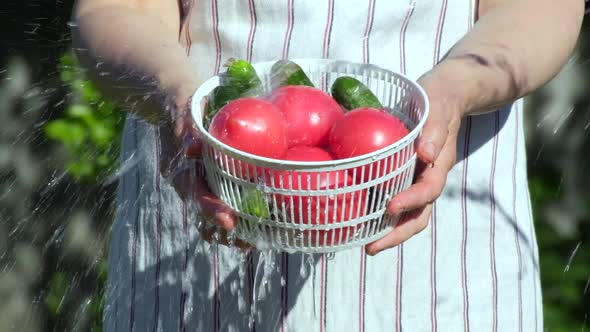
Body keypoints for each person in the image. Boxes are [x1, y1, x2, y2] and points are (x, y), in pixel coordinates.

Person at [71, 0, 584, 331]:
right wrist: (178, 96)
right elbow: (117, 9)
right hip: (200, 214)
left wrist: (455, 90)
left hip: (439, 266)